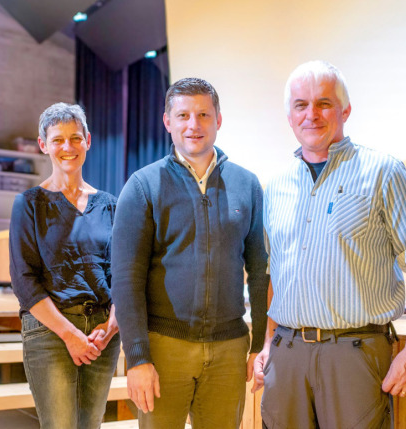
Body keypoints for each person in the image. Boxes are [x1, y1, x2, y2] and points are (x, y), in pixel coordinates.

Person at [253, 60, 406, 429]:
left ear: (345, 110)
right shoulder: (275, 187)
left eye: (323, 103)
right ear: (289, 116)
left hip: (354, 353)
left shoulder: (382, 171)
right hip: (287, 355)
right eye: (300, 105)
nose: (311, 114)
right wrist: (267, 342)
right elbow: (276, 272)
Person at [110, 78, 269, 429]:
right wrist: (137, 358)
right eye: (182, 115)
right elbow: (125, 279)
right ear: (168, 121)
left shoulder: (248, 185)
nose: (193, 125)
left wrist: (258, 344)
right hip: (164, 348)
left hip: (229, 350)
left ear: (218, 119)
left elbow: (260, 271)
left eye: (203, 115)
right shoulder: (142, 186)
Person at [9, 102, 120, 429]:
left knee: (91, 425)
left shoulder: (110, 205)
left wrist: (111, 327)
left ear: (89, 140)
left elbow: (122, 276)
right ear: (43, 144)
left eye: (75, 138)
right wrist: (70, 334)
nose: (67, 147)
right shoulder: (29, 203)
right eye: (57, 140)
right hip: (51, 332)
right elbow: (24, 281)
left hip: (102, 333)